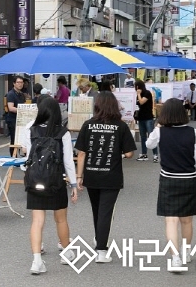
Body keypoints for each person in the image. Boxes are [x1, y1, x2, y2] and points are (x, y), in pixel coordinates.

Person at [145, 98, 196, 271]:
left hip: (168, 179)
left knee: (171, 221)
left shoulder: (161, 132)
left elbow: (148, 144)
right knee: (186, 221)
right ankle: (186, 252)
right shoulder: (193, 132)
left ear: (164, 114)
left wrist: (157, 126)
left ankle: (175, 258)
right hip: (189, 179)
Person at [74, 92, 137, 263]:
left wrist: (79, 176)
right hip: (111, 176)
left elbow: (81, 153)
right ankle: (101, 250)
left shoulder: (88, 125)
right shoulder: (121, 126)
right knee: (106, 212)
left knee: (97, 210)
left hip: (92, 175)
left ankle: (98, 238)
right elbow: (130, 153)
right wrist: (120, 154)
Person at [20, 95, 78, 274]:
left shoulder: (30, 128)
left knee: (37, 221)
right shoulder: (63, 132)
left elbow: (26, 154)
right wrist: (74, 184)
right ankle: (66, 254)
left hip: (36, 180)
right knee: (61, 219)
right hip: (56, 181)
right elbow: (68, 161)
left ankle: (36, 261)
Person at [134, 80, 159, 162]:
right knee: (143, 136)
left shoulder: (147, 93)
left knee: (151, 136)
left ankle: (155, 155)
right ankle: (144, 154)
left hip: (148, 118)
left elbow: (141, 102)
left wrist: (138, 94)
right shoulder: (139, 95)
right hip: (141, 118)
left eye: (136, 86)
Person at [5, 75, 28, 156]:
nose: (20, 84)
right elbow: (11, 108)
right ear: (14, 83)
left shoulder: (21, 94)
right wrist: (22, 110)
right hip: (13, 119)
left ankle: (22, 155)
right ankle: (14, 157)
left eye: (21, 82)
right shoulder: (11, 94)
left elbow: (25, 105)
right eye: (18, 82)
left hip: (21, 120)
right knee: (14, 139)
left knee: (22, 138)